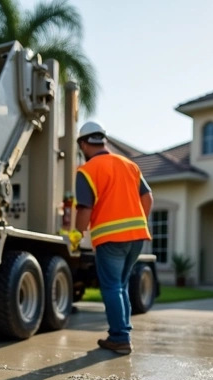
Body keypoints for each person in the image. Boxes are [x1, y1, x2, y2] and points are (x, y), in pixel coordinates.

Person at [73, 121, 153, 355]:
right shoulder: (129, 164)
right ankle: (121, 334)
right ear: (103, 140)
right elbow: (148, 198)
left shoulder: (87, 170)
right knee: (121, 285)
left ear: (83, 144)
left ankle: (120, 338)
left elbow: (85, 209)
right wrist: (137, 223)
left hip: (110, 240)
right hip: (137, 238)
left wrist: (77, 233)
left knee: (111, 287)